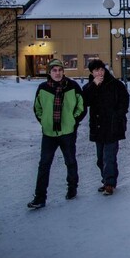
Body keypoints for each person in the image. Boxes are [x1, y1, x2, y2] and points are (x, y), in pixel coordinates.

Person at [28, 59, 86, 209]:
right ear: (49, 72)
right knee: (44, 165)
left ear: (63, 71)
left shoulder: (72, 86)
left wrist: (73, 121)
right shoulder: (43, 88)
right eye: (54, 70)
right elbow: (37, 108)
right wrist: (44, 121)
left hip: (67, 132)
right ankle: (40, 197)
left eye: (60, 70)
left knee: (70, 161)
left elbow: (82, 106)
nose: (58, 73)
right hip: (49, 134)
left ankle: (72, 188)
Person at [82, 59, 129, 196]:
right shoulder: (89, 86)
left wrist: (118, 114)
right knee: (100, 158)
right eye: (96, 70)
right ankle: (105, 180)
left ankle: (109, 183)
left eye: (101, 69)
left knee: (109, 156)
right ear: (92, 72)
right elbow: (84, 101)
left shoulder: (115, 84)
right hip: (98, 126)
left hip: (112, 126)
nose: (100, 72)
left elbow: (124, 100)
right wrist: (93, 86)